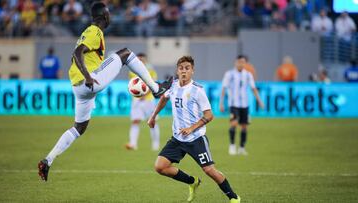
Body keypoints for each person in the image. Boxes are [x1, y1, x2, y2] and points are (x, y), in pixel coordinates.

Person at [38, 2, 173, 182]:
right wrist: (87, 75)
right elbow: (78, 52)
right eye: (108, 13)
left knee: (79, 128)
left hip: (79, 88)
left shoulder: (89, 32)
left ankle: (48, 160)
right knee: (125, 53)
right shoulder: (94, 31)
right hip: (90, 80)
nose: (110, 16)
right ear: (104, 15)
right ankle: (156, 88)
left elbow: (79, 53)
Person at [148, 56, 240, 203]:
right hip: (177, 138)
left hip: (196, 138)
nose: (184, 71)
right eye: (181, 68)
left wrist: (192, 128)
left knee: (209, 170)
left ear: (192, 71)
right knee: (160, 167)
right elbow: (164, 98)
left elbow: (209, 115)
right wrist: (153, 116)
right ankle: (192, 181)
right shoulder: (172, 86)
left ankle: (234, 197)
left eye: (187, 68)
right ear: (177, 71)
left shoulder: (198, 90)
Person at [220, 55, 264, 155]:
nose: (241, 64)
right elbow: (224, 88)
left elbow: (253, 88)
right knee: (233, 124)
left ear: (245, 63)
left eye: (243, 62)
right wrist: (221, 103)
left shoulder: (248, 75)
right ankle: (232, 146)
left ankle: (242, 147)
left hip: (245, 105)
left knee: (244, 127)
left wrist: (259, 101)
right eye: (239, 62)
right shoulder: (229, 74)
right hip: (233, 104)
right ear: (236, 63)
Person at [125, 53, 160, 151]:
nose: (140, 61)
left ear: (145, 60)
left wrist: (144, 95)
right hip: (137, 101)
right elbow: (132, 87)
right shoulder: (132, 72)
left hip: (149, 100)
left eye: (142, 59)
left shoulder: (151, 71)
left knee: (153, 121)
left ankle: (155, 144)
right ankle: (132, 144)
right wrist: (138, 96)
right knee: (135, 121)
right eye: (138, 59)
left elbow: (153, 84)